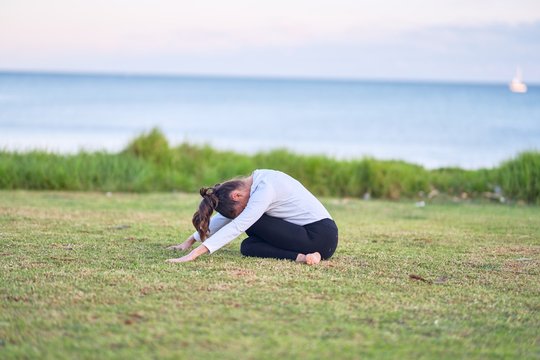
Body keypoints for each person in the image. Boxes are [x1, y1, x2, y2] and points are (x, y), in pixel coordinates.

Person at [166, 169, 338, 265]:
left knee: (249, 222)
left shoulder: (265, 187)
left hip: (319, 235)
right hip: (307, 238)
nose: (239, 215)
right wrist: (189, 241)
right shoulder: (257, 181)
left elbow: (239, 224)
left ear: (236, 196)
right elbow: (228, 219)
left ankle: (312, 252)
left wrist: (194, 254)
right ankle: (303, 257)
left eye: (237, 211)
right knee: (248, 246)